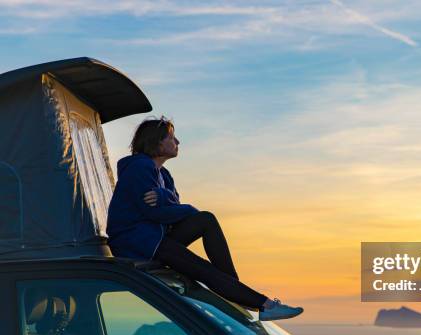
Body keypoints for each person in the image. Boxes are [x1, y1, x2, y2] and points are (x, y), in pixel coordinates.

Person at [106, 116, 303, 321]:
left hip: (154, 235)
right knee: (202, 268)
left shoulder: (164, 174)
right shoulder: (139, 167)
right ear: (156, 142)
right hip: (136, 242)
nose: (178, 142)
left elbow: (172, 206)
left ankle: (234, 290)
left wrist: (165, 196)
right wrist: (188, 208)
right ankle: (262, 304)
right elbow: (154, 212)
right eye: (172, 138)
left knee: (206, 220)